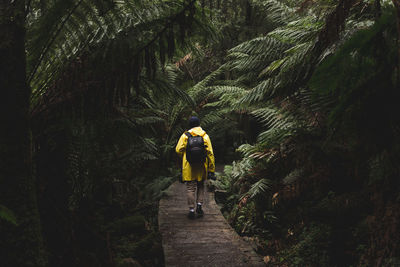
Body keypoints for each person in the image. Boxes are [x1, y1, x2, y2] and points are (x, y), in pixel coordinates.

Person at [175, 116, 215, 219]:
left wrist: (185, 155)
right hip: (202, 166)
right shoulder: (205, 136)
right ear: (199, 124)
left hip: (189, 166)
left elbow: (178, 149)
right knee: (201, 185)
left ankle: (191, 210)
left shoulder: (185, 136)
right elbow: (210, 153)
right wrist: (211, 169)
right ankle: (199, 206)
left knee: (190, 188)